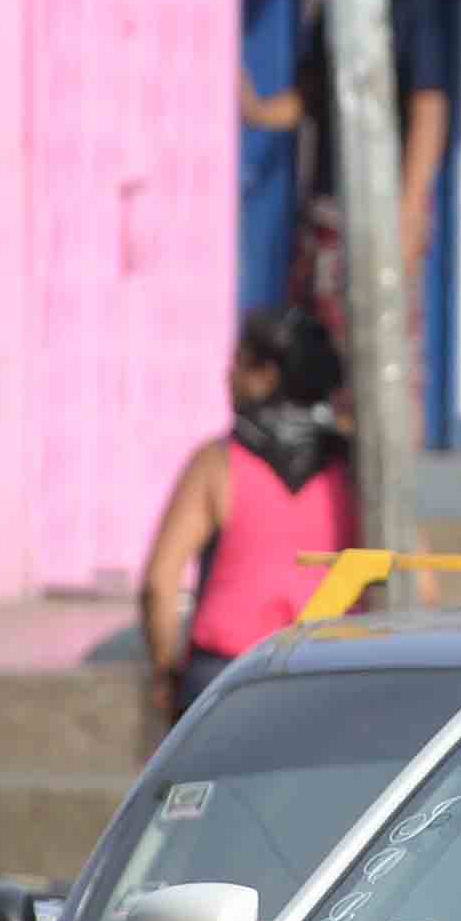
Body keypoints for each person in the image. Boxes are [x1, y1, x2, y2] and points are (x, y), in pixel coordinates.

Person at [133, 305, 356, 720]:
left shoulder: (218, 464)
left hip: (229, 678)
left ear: (266, 376)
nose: (227, 376)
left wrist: (166, 674)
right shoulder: (356, 471)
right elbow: (423, 586)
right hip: (335, 673)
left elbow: (159, 585)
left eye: (237, 364)